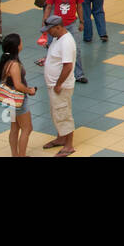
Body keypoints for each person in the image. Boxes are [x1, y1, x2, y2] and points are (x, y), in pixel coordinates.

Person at [40, 14, 77, 156]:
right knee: (57, 112)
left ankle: (69, 146)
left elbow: (67, 66)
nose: (48, 32)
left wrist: (58, 84)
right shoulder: (57, 38)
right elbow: (58, 59)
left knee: (64, 113)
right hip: (54, 84)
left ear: (59, 27)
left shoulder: (66, 42)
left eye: (50, 29)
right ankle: (61, 138)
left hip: (61, 86)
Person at [43, 0, 87, 83]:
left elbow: (79, 6)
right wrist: (45, 21)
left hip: (71, 24)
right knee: (51, 47)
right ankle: (53, 70)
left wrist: (82, 22)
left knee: (76, 49)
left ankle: (79, 74)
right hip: (56, 26)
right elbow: (48, 6)